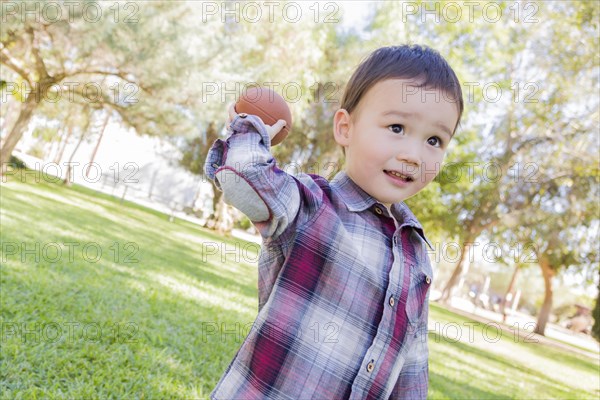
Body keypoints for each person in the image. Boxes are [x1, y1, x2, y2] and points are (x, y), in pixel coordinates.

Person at [204, 44, 464, 399]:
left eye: (434, 140)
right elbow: (242, 177)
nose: (413, 155)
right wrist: (251, 127)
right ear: (345, 128)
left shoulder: (416, 255)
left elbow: (412, 360)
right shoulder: (310, 204)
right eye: (397, 127)